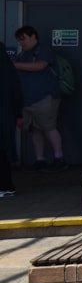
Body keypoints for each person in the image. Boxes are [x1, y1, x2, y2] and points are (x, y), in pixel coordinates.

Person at [12, 26, 65, 171]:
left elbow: (40, 66)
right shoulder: (22, 55)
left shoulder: (43, 51)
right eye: (19, 40)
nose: (22, 43)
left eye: (24, 39)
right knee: (34, 129)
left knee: (49, 127)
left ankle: (59, 158)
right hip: (27, 100)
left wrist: (15, 65)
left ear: (33, 36)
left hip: (45, 98)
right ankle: (39, 159)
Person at [0, 44, 21, 196]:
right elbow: (16, 91)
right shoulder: (8, 68)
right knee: (3, 152)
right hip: (6, 117)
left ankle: (5, 187)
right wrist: (18, 114)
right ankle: (6, 186)